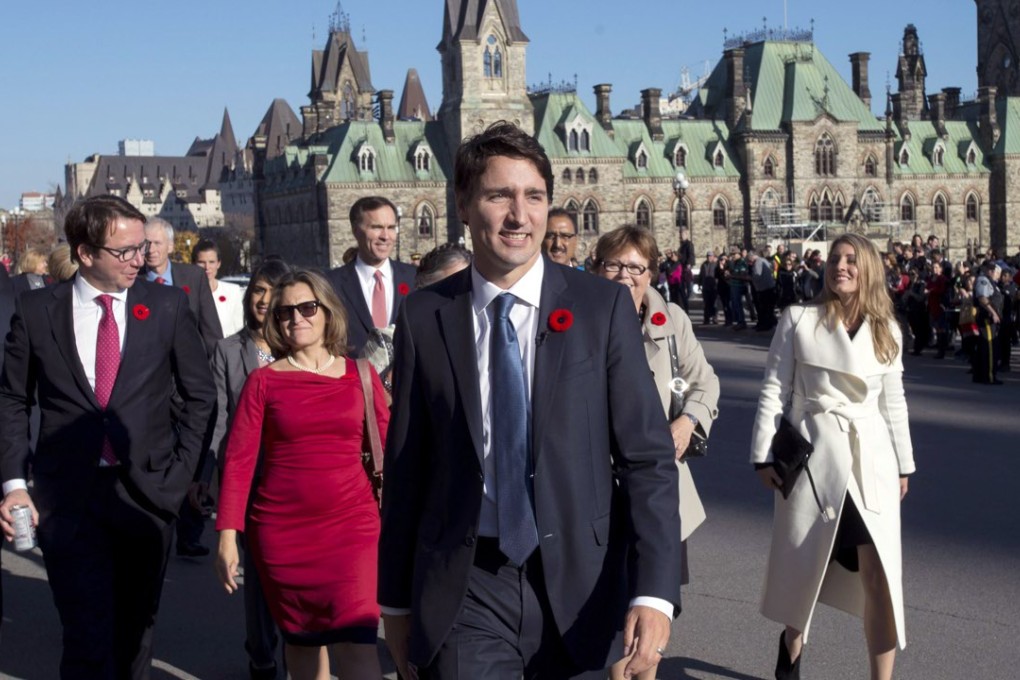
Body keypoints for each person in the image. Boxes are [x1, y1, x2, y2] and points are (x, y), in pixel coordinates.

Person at [378, 122, 682, 680]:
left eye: (534, 196)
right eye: (500, 196)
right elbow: (407, 470)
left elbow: (648, 459)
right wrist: (395, 603)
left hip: (579, 582)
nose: (520, 215)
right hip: (469, 582)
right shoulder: (425, 317)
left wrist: (656, 593)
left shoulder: (601, 308)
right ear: (465, 206)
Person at [0, 194, 216, 678]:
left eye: (142, 248)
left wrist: (180, 475)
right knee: (84, 637)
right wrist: (14, 484)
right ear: (84, 253)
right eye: (125, 252)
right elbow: (13, 400)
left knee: (134, 636)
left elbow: (200, 396)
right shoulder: (37, 311)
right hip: (67, 498)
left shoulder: (166, 305)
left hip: (147, 494)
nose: (140, 260)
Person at [750, 233, 915, 680]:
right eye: (835, 260)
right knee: (808, 569)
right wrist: (764, 454)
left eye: (851, 260)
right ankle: (791, 647)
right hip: (814, 463)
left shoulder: (888, 329)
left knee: (880, 579)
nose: (840, 266)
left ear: (869, 270)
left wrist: (903, 465)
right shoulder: (799, 320)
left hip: (870, 466)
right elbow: (774, 390)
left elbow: (892, 404)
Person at [215, 268, 387, 680]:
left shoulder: (360, 376)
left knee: (358, 647)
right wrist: (226, 536)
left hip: (353, 530)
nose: (296, 319)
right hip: (282, 535)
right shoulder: (263, 383)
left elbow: (392, 451)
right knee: (303, 651)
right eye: (285, 312)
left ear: (327, 311)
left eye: (307, 307)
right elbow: (239, 462)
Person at [591, 226, 720, 680]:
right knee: (609, 603)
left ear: (650, 274)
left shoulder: (672, 321)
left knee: (653, 599)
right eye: (614, 265)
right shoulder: (580, 320)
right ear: (596, 269)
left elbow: (706, 383)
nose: (625, 276)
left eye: (636, 267)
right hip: (598, 488)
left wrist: (687, 422)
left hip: (660, 487)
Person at [207, 259, 291, 680]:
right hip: (251, 482)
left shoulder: (301, 349)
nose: (264, 299)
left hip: (296, 481)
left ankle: (300, 654)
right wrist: (219, 483)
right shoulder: (228, 350)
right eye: (258, 290)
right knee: (256, 582)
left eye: (273, 291)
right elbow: (220, 421)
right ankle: (262, 656)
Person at [326, 196, 417, 355]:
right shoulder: (331, 284)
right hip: (354, 376)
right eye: (377, 227)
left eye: (391, 227)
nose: (385, 236)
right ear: (355, 231)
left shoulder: (415, 278)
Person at [143, 217, 224, 356]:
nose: (151, 250)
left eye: (157, 243)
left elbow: (211, 331)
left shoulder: (194, 277)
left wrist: (217, 371)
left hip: (189, 366)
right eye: (146, 243)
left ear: (170, 246)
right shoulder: (131, 280)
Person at [192, 239, 244, 337]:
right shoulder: (186, 294)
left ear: (218, 264)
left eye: (211, 262)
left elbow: (240, 328)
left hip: (228, 349)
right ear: (193, 263)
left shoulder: (233, 291)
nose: (207, 267)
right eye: (201, 262)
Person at [972, 261, 1003, 384]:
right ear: (991, 271)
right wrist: (993, 313)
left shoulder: (992, 283)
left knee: (984, 348)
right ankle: (989, 376)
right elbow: (982, 298)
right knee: (990, 349)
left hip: (990, 320)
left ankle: (980, 375)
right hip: (987, 319)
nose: (997, 275)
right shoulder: (983, 280)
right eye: (996, 272)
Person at [698, 250, 719, 324]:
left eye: (710, 256)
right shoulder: (703, 265)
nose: (709, 257)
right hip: (705, 286)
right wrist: (699, 284)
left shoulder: (716, 264)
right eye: (708, 256)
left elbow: (718, 275)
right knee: (706, 303)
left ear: (713, 257)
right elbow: (700, 275)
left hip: (713, 286)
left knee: (714, 303)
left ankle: (715, 318)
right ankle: (706, 319)